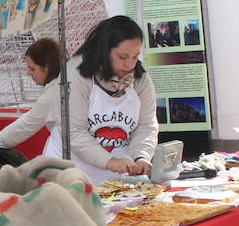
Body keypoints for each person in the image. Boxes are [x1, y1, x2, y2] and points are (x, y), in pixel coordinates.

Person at [46, 16, 157, 184]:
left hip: (117, 173)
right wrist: (110, 161)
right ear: (105, 51)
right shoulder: (75, 75)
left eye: (135, 57)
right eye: (122, 56)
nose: (129, 65)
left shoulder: (140, 79)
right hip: (72, 170)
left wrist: (142, 156)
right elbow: (73, 132)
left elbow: (146, 125)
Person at [0, 37, 64, 150]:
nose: (28, 73)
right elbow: (31, 116)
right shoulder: (62, 84)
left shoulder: (54, 93)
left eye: (32, 68)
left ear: (47, 67)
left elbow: (26, 125)